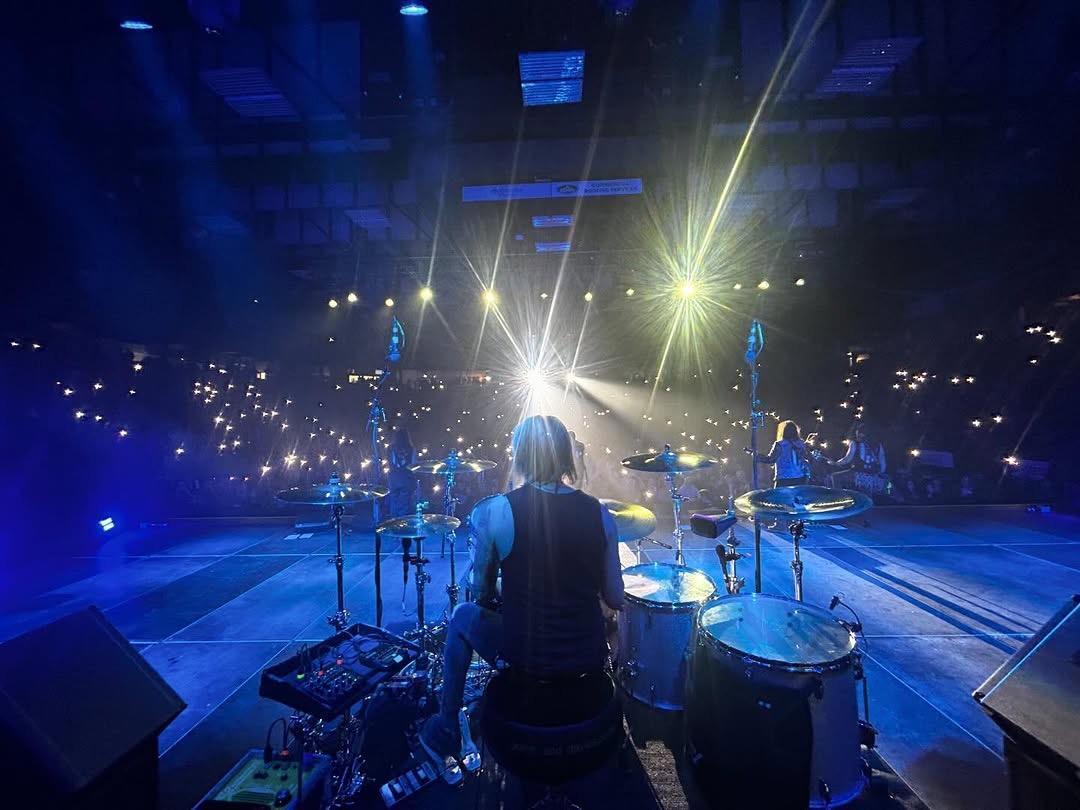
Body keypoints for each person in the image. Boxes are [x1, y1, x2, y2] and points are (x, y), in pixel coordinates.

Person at [418, 414, 625, 774]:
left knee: (463, 615)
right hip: (586, 660)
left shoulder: (499, 510)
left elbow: (480, 592)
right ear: (565, 455)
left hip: (528, 660)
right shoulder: (601, 514)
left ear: (520, 455)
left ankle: (447, 725)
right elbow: (616, 598)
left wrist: (502, 580)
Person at [751, 420, 811, 487]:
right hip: (799, 478)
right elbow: (808, 458)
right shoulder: (801, 443)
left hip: (783, 479)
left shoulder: (780, 444)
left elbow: (770, 460)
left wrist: (755, 455)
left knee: (780, 497)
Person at [386, 425, 418, 517]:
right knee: (404, 502)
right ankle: (402, 522)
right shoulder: (411, 449)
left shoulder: (390, 448)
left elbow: (390, 462)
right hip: (406, 477)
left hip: (394, 476)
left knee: (394, 500)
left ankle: (394, 521)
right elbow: (414, 464)